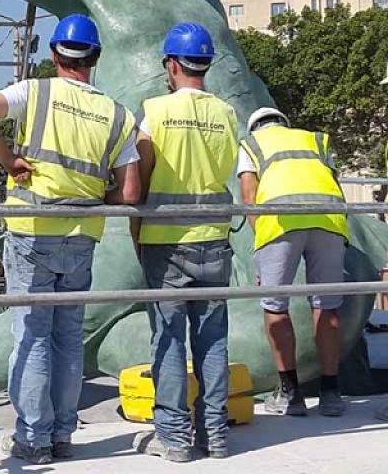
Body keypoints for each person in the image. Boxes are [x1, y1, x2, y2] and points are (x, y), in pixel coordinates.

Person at [0, 14, 140, 465]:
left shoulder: (36, 92)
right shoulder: (118, 114)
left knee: (32, 336)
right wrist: (96, 191)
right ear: (94, 58)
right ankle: (63, 434)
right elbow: (131, 192)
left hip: (31, 231)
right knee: (67, 338)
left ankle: (33, 439)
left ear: (55, 55)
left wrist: (7, 160)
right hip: (82, 236)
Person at [132, 23, 239, 462]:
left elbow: (139, 177)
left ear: (171, 65)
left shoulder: (154, 112)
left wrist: (136, 233)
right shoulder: (227, 114)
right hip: (214, 239)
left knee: (169, 340)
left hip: (165, 242)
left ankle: (175, 438)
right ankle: (215, 435)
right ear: (206, 64)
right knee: (213, 341)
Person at [239, 107, 348, 418]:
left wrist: (261, 253)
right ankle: (331, 393)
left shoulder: (251, 145)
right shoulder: (315, 140)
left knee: (274, 305)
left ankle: (290, 394)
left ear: (255, 126)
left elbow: (250, 198)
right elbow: (334, 185)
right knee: (327, 306)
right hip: (329, 221)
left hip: (280, 222)